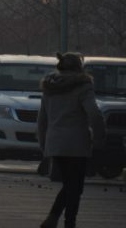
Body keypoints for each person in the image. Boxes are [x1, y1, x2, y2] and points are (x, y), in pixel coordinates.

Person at [37, 52, 105, 228]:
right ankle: (67, 222)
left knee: (70, 185)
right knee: (75, 186)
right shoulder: (83, 86)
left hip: (55, 143)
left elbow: (42, 120)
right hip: (77, 144)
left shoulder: (49, 87)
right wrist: (99, 138)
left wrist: (43, 145)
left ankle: (53, 219)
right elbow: (94, 114)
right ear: (78, 67)